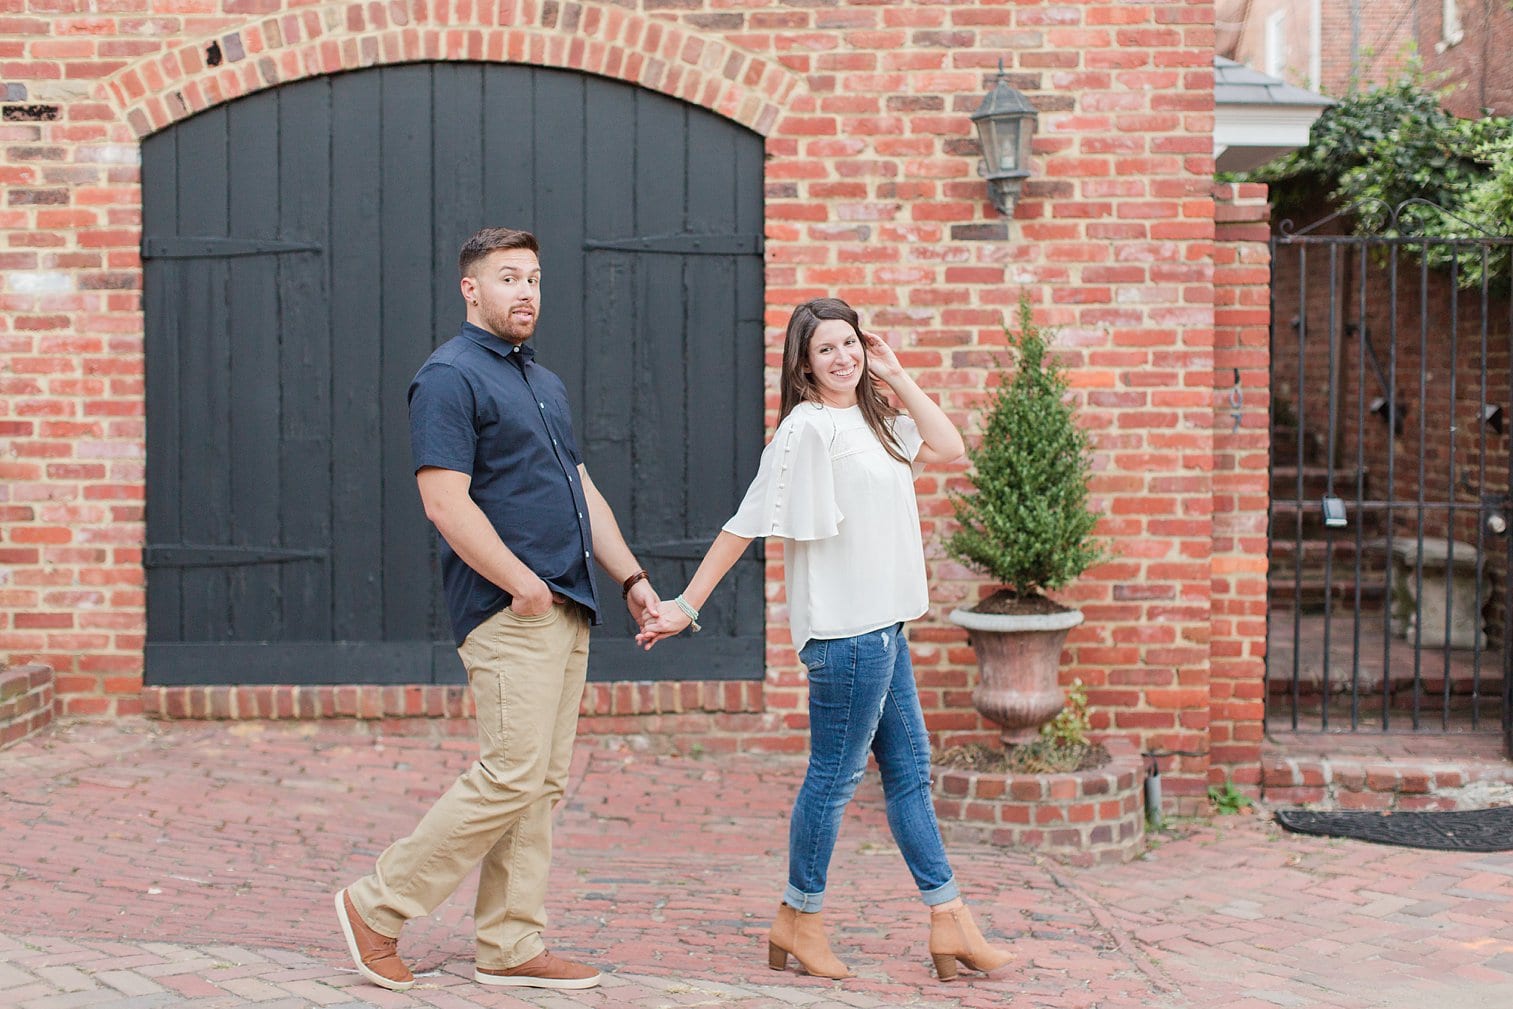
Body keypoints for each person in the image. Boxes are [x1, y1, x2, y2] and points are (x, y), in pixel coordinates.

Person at [636, 298, 1014, 982]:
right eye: (826, 349)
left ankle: (949, 919)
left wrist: (895, 375)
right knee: (834, 779)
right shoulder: (806, 431)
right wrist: (685, 605)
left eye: (850, 343)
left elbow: (949, 446)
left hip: (886, 626)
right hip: (845, 634)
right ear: (803, 365)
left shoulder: (871, 420)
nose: (842, 357)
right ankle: (799, 917)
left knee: (908, 777)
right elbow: (744, 523)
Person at [335, 227, 660, 992]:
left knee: (540, 781)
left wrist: (631, 576)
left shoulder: (541, 382)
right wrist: (519, 580)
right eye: (508, 277)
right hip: (512, 606)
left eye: (535, 279)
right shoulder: (447, 377)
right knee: (511, 770)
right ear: (469, 288)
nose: (526, 292)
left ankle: (511, 942)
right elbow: (442, 500)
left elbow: (580, 489)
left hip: (568, 601)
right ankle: (375, 905)